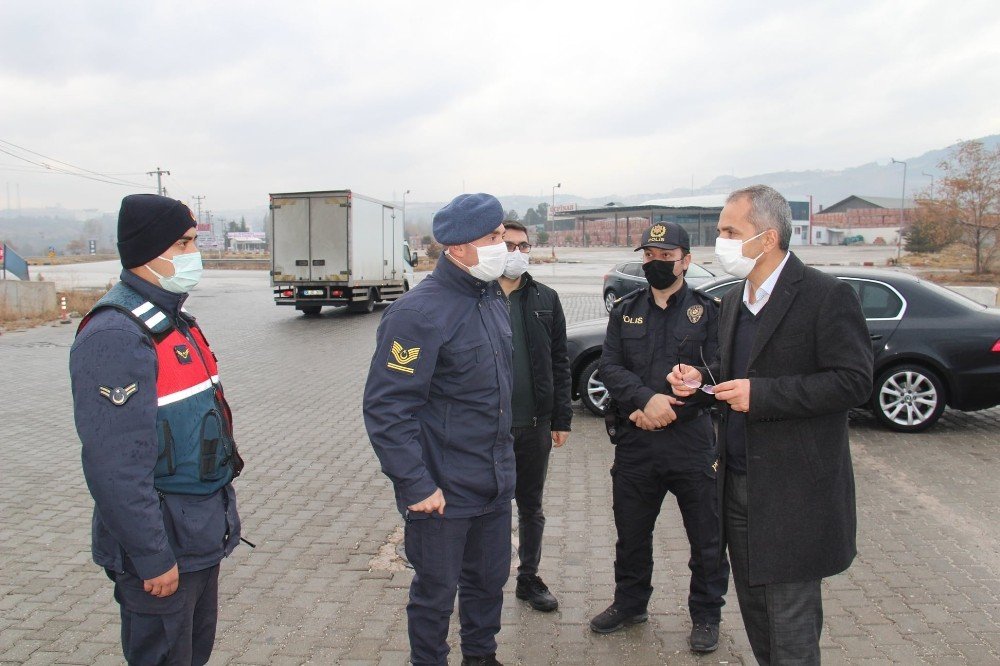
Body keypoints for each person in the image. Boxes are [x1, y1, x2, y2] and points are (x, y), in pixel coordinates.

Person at [669, 185, 873, 664]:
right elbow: (738, 371)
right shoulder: (737, 300)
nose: (719, 241)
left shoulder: (825, 296)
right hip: (737, 488)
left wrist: (762, 396)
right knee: (760, 622)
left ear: (767, 238)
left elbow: (853, 382)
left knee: (791, 636)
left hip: (793, 497)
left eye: (729, 231)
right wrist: (702, 379)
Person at [70, 194, 244, 665]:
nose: (194, 255)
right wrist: (152, 556)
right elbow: (114, 466)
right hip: (164, 547)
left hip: (196, 537)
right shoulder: (116, 336)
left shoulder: (172, 322)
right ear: (150, 252)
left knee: (192, 654)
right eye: (184, 244)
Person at [363, 193, 514, 666]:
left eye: (502, 235)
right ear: (458, 249)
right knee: (434, 595)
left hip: (493, 483)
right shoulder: (418, 313)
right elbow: (387, 410)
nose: (503, 245)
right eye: (493, 238)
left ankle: (481, 659)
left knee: (488, 586)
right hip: (442, 493)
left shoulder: (490, 299)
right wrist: (416, 483)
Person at [590, 221, 730, 653]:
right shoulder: (626, 308)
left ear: (685, 260)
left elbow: (722, 373)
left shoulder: (710, 312)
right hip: (638, 441)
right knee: (631, 534)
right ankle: (630, 603)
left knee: (706, 538)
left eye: (665, 256)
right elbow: (610, 367)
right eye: (649, 256)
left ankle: (706, 615)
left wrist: (680, 401)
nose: (655, 263)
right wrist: (646, 401)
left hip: (691, 444)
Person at [497, 221, 572, 613]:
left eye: (523, 246)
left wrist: (561, 419)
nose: (516, 253)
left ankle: (528, 577)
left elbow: (560, 361)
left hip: (535, 426)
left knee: (531, 505)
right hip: (489, 430)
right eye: (508, 245)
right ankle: (483, 579)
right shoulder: (480, 297)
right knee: (487, 508)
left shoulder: (546, 298)